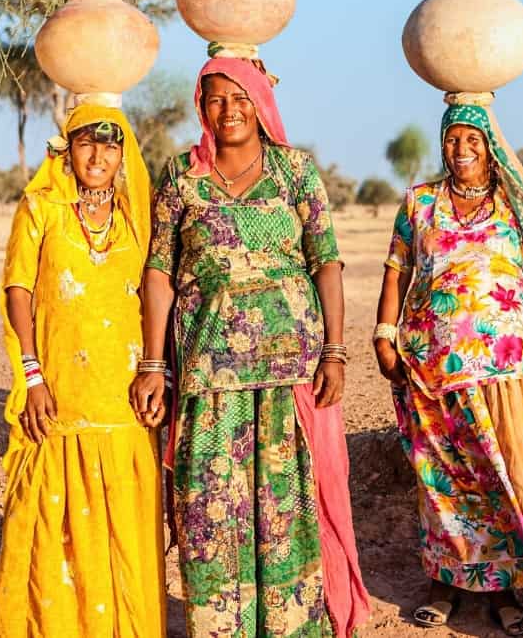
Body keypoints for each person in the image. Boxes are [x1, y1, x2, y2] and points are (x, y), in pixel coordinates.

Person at [131, 46, 369, 637]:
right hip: (208, 374)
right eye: (216, 99)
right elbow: (159, 271)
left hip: (291, 374)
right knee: (209, 510)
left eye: (240, 97)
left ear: (260, 103)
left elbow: (327, 264)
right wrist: (154, 363)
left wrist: (335, 351)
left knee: (284, 514)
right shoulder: (181, 176)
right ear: (201, 108)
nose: (228, 109)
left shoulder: (295, 171)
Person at [374, 92, 523, 636]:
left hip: (504, 368)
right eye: (452, 138)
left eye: (472, 139)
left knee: (510, 477)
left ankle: (514, 589)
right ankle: (446, 585)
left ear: (491, 146)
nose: (461, 148)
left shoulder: (514, 206)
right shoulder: (419, 203)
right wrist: (385, 334)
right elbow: (395, 271)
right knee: (444, 481)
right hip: (430, 369)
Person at [0, 103, 166, 637]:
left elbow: (158, 290)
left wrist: (158, 369)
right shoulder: (41, 207)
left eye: (110, 146)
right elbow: (18, 290)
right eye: (87, 143)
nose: (99, 156)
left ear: (122, 155)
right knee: (52, 524)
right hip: (59, 396)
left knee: (123, 532)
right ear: (68, 150)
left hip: (124, 401)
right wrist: (32, 373)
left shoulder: (139, 217)